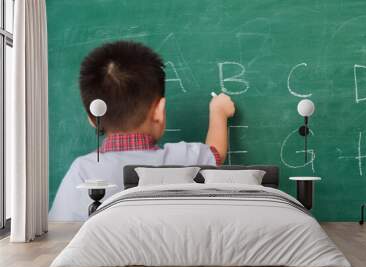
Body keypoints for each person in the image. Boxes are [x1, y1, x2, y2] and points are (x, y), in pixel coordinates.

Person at [49, 41, 235, 221]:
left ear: (92, 118)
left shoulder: (82, 170)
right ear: (159, 111)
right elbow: (215, 152)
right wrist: (218, 112)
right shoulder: (182, 159)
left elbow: (61, 227)